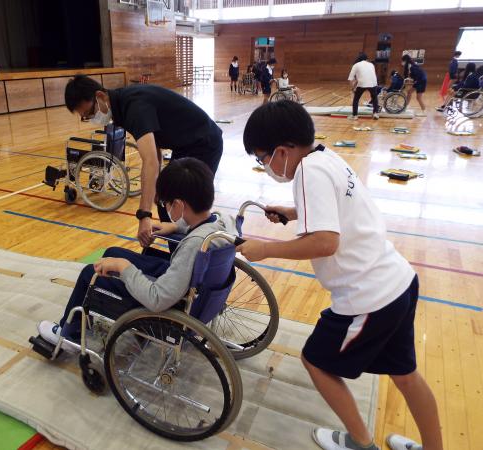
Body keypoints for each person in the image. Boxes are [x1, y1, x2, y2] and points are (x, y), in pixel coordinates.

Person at [237, 100, 443, 450]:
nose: (265, 166)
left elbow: (325, 242)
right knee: (405, 375)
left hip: (368, 298)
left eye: (262, 158)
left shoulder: (305, 173)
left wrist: (265, 248)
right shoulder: (325, 156)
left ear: (283, 151)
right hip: (399, 282)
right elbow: (337, 209)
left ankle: (361, 443)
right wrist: (293, 212)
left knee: (316, 361)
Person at [37, 157, 237, 351]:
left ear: (177, 205)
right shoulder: (223, 222)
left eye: (167, 203)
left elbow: (157, 299)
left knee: (90, 273)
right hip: (190, 287)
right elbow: (199, 225)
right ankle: (84, 318)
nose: (166, 208)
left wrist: (124, 268)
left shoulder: (194, 244)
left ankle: (67, 333)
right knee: (111, 253)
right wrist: (175, 225)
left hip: (166, 305)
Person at [64, 75, 223, 248]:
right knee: (165, 201)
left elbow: (150, 162)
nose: (93, 118)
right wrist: (157, 185)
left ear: (100, 96)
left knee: (188, 207)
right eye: (86, 117)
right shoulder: (121, 106)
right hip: (185, 146)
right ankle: (179, 256)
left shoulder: (133, 107)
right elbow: (154, 149)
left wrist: (144, 215)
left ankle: (196, 255)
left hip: (204, 143)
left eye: (90, 113)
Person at [347, 53, 379, 120]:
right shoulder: (371, 64)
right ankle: (375, 113)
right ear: (366, 59)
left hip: (362, 83)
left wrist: (352, 88)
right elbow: (364, 77)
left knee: (356, 99)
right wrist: (354, 86)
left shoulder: (356, 65)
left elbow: (350, 79)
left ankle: (355, 115)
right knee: (374, 98)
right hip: (373, 83)